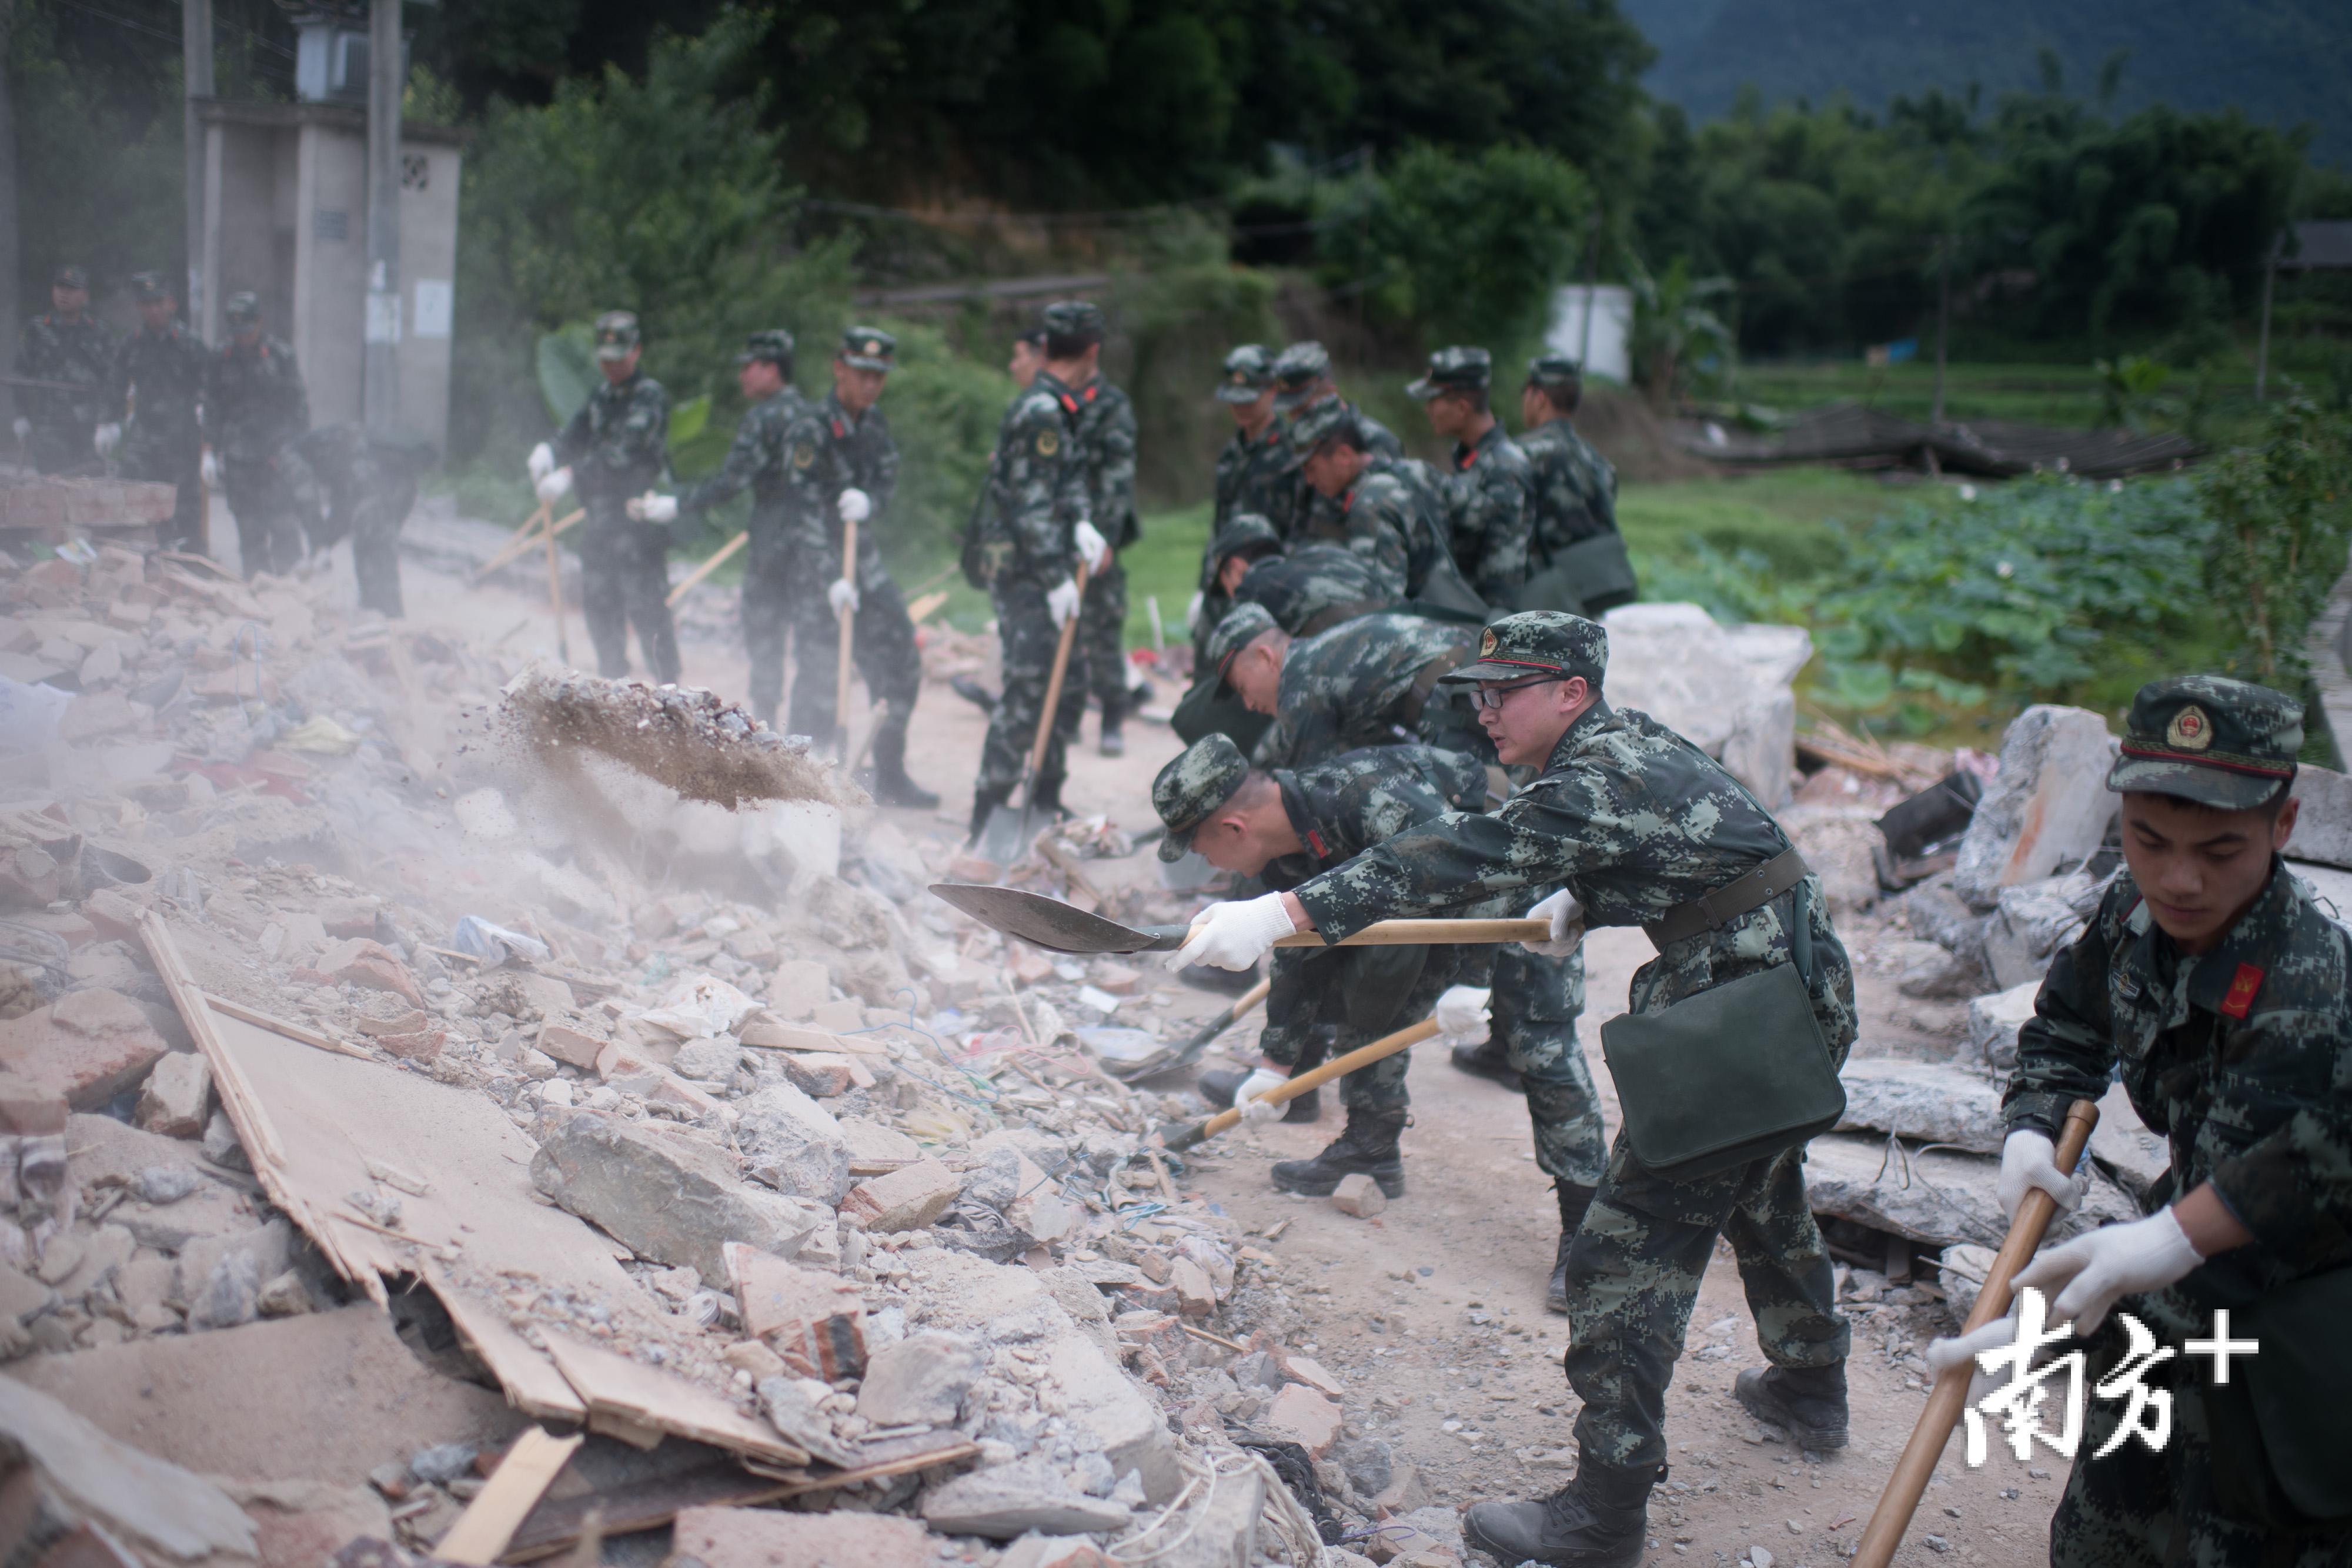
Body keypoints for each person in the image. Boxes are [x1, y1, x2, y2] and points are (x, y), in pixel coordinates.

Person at [1167, 611, 1859, 1568]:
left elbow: (1462, 852)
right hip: (1793, 973)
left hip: (1743, 996)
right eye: (1479, 692)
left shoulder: (1592, 773)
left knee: (1623, 1251)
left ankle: (1603, 1517)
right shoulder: (1625, 743)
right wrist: (1593, 894)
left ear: (1570, 692)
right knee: (1762, 1180)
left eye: (1506, 691)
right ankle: (1811, 1379)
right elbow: (1710, 834)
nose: (1484, 710)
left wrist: (1288, 910)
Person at [1925, 676, 2351, 1567]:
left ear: (2283, 825)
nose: (2179, 878)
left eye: (2220, 848)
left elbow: (2289, 1196)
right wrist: (2033, 1124)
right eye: (2149, 840)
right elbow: (2072, 1021)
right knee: (2099, 1536)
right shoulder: (2135, 910)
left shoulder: (2307, 988)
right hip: (2175, 1263)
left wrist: (2085, 1312)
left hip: (2293, 1325)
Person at [1154, 733, 1494, 1190]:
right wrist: (1274, 1067)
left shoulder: (1368, 801)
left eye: (1203, 851)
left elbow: (1483, 868)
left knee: (1540, 1039)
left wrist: (1475, 976)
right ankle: (1371, 1150)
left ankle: (1588, 1233)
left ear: (1235, 828)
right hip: (1431, 885)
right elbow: (1299, 957)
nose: (1214, 865)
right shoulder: (1281, 847)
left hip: (1521, 882)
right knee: (1366, 980)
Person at [776, 328, 937, 807]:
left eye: (879, 376)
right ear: (839, 368)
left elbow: (888, 476)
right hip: (816, 573)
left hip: (863, 565)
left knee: (903, 662)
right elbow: (800, 514)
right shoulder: (810, 429)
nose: (871, 385)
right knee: (821, 681)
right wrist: (830, 579)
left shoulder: (873, 424)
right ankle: (799, 785)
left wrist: (872, 501)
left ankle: (886, 771)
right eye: (863, 374)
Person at [958, 302, 1094, 840]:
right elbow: (1031, 504)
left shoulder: (1053, 406)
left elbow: (1062, 482)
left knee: (1062, 685)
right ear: (1092, 353)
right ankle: (987, 813)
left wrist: (1083, 520)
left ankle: (1043, 801)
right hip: (1027, 573)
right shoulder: (1042, 410)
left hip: (1039, 565)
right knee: (1028, 689)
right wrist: (1057, 574)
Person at [666, 329, 808, 725]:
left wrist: (678, 503)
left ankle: (768, 725)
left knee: (765, 626)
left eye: (750, 367)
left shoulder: (765, 417)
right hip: (813, 537)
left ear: (771, 369)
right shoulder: (811, 412)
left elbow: (731, 481)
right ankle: (809, 732)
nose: (743, 375)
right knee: (812, 639)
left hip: (774, 533)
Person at [537, 310, 679, 683]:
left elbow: (623, 454)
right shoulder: (601, 396)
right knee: (600, 609)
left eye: (618, 359)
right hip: (600, 524)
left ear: (636, 352)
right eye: (605, 360)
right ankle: (615, 690)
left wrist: (570, 474)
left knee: (648, 615)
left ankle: (672, 696)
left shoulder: (650, 398)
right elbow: (574, 435)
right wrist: (550, 453)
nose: (611, 367)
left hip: (636, 527)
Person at [1205, 602, 1488, 773]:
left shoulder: (1300, 681)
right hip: (1474, 669)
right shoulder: (1320, 653)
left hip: (1452, 699)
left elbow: (1311, 793)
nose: (1249, 705)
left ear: (1266, 657)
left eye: (1242, 687)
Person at [1288, 399, 1484, 614]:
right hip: (1466, 610)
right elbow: (1481, 516)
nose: (1309, 480)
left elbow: (1382, 606)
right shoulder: (1416, 470)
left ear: (1344, 456)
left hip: (1431, 631)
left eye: (1312, 468)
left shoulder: (1369, 506)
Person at [1061, 303, 1141, 756]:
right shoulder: (1052, 400)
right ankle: (1068, 717)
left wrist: (1106, 534)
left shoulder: (1111, 404)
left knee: (1103, 628)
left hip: (1099, 535)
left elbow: (1118, 474)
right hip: (1060, 534)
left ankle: (1113, 717)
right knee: (1064, 633)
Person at [1411, 346, 1535, 607]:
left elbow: (1504, 577)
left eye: (1433, 400)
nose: (1427, 409)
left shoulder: (1504, 467)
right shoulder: (1472, 456)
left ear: (1462, 407)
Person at [1519, 356, 1636, 616]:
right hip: (1594, 593)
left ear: (1538, 398)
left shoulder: (1522, 455)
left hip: (1540, 599)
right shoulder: (1596, 459)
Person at [205, 292, 311, 577]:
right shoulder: (220, 358)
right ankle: (258, 591)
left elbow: (299, 407)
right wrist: (209, 452)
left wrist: (299, 451)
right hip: (239, 457)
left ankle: (293, 591)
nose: (243, 338)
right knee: (249, 528)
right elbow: (213, 407)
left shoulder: (280, 356)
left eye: (248, 331)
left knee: (284, 524)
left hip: (276, 455)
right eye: (237, 332)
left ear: (260, 323)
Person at [101, 270, 206, 553]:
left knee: (184, 510)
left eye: (159, 302)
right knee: (136, 503)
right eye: (147, 304)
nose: (154, 310)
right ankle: (139, 564)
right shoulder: (131, 344)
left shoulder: (190, 344)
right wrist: (109, 424)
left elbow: (209, 387)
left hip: (181, 439)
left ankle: (191, 571)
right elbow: (116, 385)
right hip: (143, 440)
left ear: (171, 304)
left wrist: (205, 417)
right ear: (140, 308)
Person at [289, 423, 435, 616]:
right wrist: (323, 545)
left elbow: (309, 499)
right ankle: (385, 616)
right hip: (397, 487)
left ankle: (383, 618)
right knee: (379, 548)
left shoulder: (295, 456)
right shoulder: (337, 452)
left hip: (378, 487)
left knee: (374, 546)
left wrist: (318, 544)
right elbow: (343, 507)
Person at [1172, 514, 1285, 753]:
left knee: (1189, 715)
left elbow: (1206, 678)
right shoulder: (1299, 579)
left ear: (1234, 568)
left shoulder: (1246, 596)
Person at [1271, 340, 1401, 543]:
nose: (1297, 421)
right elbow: (1298, 519)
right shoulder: (1299, 441)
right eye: (1292, 413)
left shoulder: (1376, 442)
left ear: (1332, 394)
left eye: (1304, 410)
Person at [15, 264, 113, 476]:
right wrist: (20, 416)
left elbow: (111, 381)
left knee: (90, 496)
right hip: (49, 429)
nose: (64, 294)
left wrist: (107, 423)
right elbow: (20, 375)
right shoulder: (37, 329)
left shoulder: (100, 332)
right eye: (60, 288)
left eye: (71, 289)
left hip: (88, 431)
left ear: (85, 296)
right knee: (53, 493)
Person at [1212, 344, 1292, 536]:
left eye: (1249, 401)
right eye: (1236, 401)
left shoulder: (1292, 452)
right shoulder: (1231, 454)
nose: (1241, 407)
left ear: (1273, 390)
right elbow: (1220, 523)